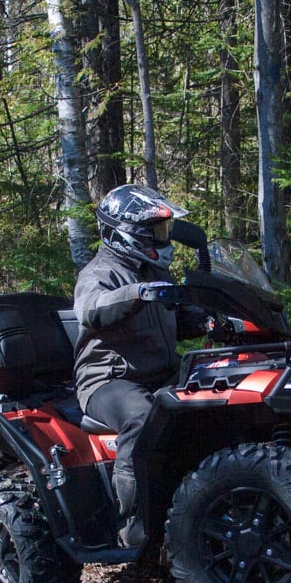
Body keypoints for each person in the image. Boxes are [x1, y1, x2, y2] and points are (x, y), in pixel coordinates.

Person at [73, 184, 209, 548]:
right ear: (126, 234)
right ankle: (133, 521)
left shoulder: (150, 273)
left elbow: (176, 320)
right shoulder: (101, 272)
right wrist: (134, 294)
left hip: (158, 372)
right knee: (141, 417)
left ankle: (202, 499)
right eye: (156, 232)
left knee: (216, 388)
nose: (163, 239)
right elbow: (92, 309)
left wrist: (213, 318)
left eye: (164, 231)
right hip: (109, 378)